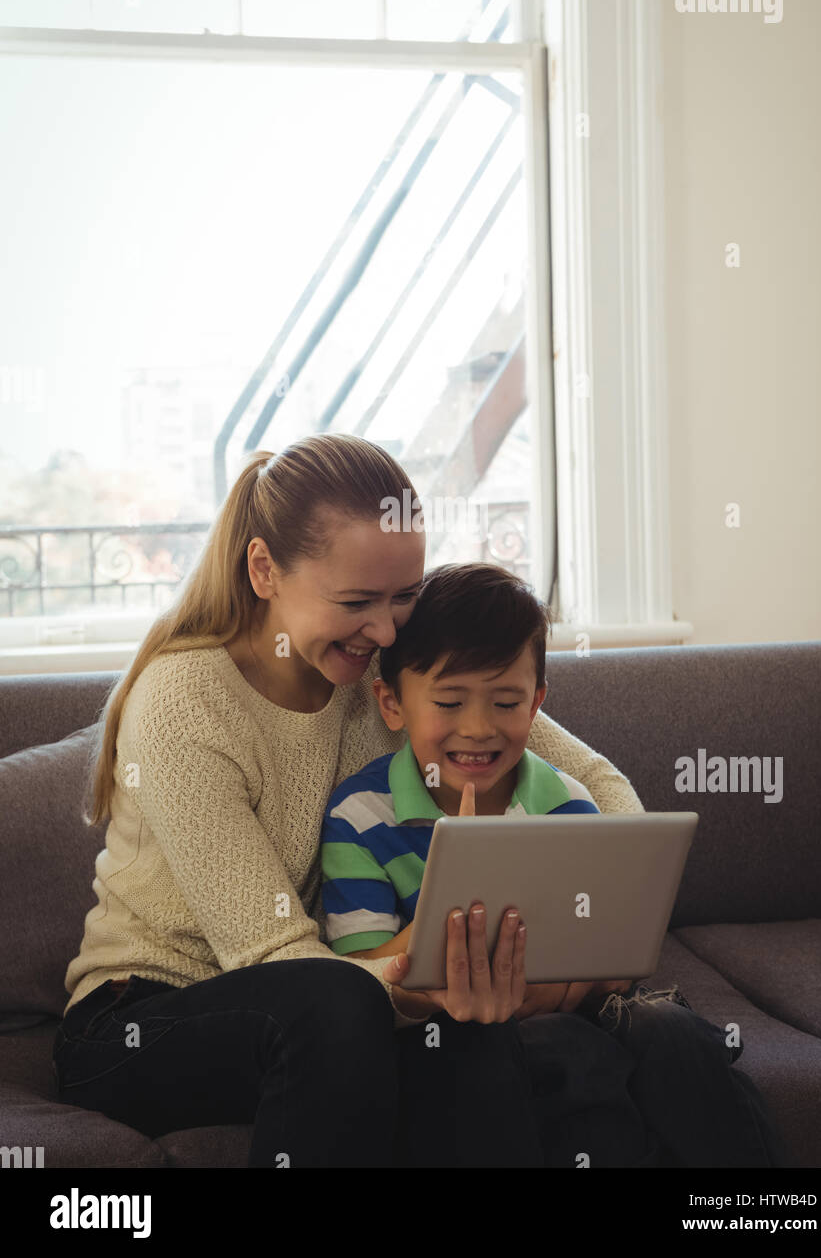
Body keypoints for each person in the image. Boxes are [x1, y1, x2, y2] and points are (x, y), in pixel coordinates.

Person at [52, 433, 644, 1169]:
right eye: (357, 601)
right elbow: (272, 957)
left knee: (469, 1040)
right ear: (264, 569)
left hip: (329, 1003)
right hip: (142, 1017)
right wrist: (429, 973)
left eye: (405, 597)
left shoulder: (379, 669)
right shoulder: (185, 704)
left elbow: (604, 785)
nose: (389, 630)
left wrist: (601, 931)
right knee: (342, 1005)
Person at [321, 561, 789, 1167]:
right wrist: (456, 887)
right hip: (448, 1032)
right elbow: (363, 975)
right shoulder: (361, 816)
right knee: (563, 1052)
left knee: (674, 1033)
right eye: (449, 700)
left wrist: (590, 976)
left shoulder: (566, 802)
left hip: (572, 1010)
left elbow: (611, 957)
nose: (478, 727)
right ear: (391, 702)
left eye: (506, 701)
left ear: (537, 703)